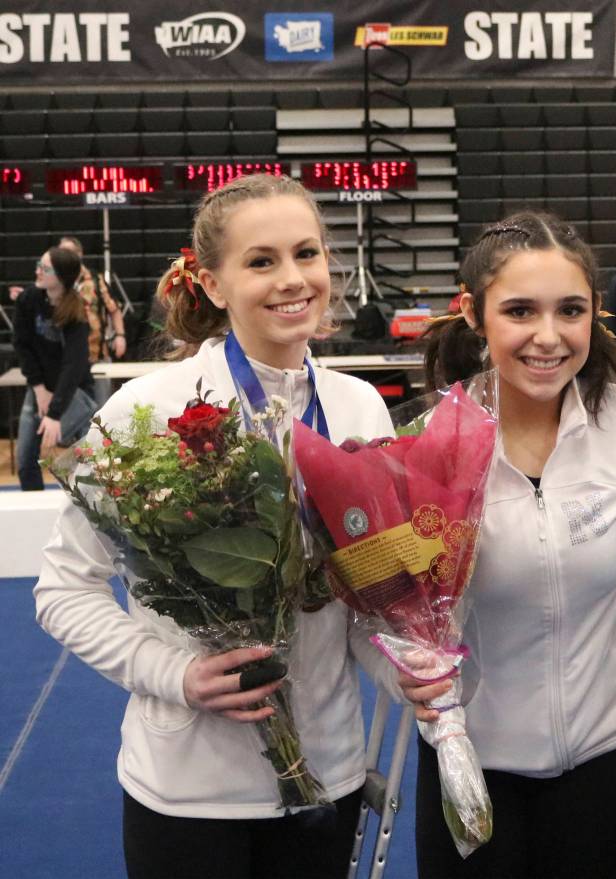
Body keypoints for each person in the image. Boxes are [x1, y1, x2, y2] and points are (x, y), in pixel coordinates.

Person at [33, 174, 401, 879]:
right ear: (212, 282)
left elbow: (363, 599)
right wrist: (174, 673)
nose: (293, 278)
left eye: (308, 253)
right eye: (261, 261)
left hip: (328, 774)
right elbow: (62, 591)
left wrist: (409, 664)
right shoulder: (144, 411)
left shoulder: (359, 409)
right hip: (187, 790)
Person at [405, 212, 616, 879]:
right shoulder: (433, 441)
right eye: (520, 310)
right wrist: (404, 675)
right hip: (470, 755)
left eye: (570, 310)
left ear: (595, 314)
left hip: (610, 751)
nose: (547, 336)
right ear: (473, 312)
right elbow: (394, 616)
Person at [13, 247, 96, 491]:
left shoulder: (76, 310)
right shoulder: (28, 300)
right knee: (26, 458)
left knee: (91, 458)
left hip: (75, 392)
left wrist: (55, 412)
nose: (38, 270)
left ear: (61, 276)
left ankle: (84, 508)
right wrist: (39, 389)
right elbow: (22, 346)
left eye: (45, 268)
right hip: (40, 389)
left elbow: (74, 365)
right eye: (39, 264)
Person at [59, 235, 128, 406]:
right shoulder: (58, 283)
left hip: (96, 356)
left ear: (79, 254)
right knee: (70, 410)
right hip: (65, 360)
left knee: (100, 408)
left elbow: (114, 309)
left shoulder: (96, 280)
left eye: (68, 252)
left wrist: (120, 335)